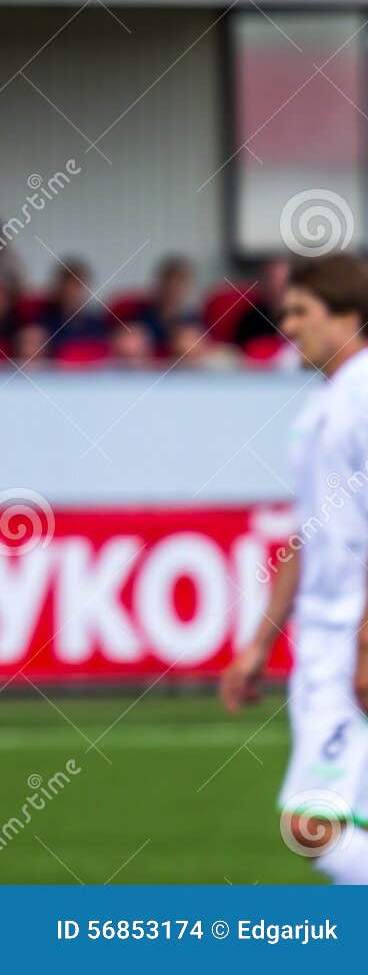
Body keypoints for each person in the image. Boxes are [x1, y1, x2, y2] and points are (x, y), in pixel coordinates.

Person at [221, 254, 368, 884]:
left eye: (302, 311)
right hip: (325, 638)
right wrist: (260, 642)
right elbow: (308, 536)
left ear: (348, 318)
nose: (288, 325)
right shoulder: (323, 406)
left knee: (316, 826)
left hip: (349, 635)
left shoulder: (361, 397)